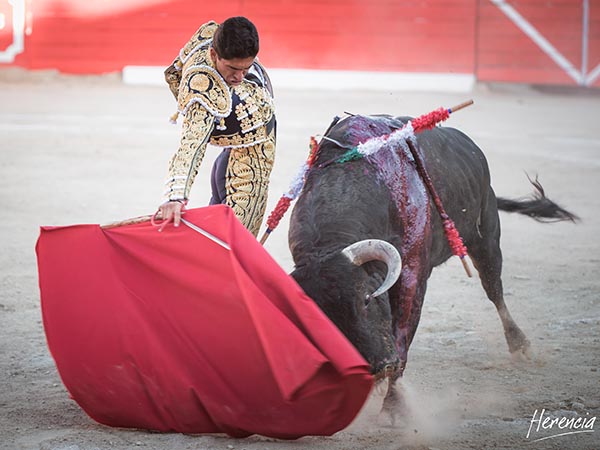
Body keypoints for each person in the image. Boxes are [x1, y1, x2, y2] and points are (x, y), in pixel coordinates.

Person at [158, 16, 276, 237]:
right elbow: (191, 145)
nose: (239, 77)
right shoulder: (203, 90)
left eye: (246, 68)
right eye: (232, 68)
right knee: (236, 246)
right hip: (250, 163)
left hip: (229, 156)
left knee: (216, 242)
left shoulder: (210, 33)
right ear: (214, 54)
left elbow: (174, 73)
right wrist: (174, 196)